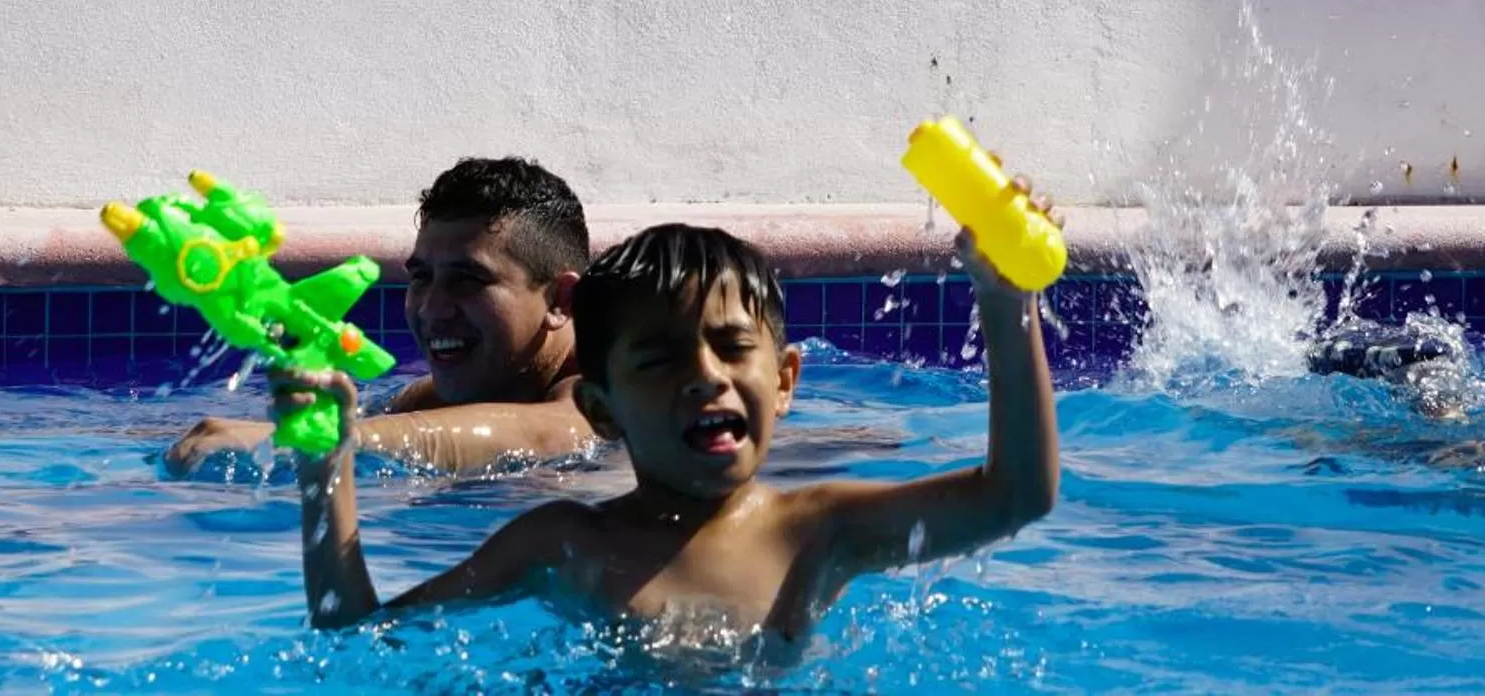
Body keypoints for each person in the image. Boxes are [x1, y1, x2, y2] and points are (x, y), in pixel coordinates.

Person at [281, 217, 1062, 640]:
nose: (705, 375)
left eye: (732, 346)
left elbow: (1016, 497)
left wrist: (1006, 302)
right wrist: (326, 470)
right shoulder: (562, 541)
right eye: (658, 359)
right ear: (602, 410)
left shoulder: (820, 530)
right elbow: (356, 635)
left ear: (785, 381)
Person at [164, 157, 596, 475]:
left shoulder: (615, 386)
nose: (432, 308)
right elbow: (372, 423)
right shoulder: (441, 396)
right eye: (421, 277)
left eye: (468, 280)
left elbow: (546, 434)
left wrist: (307, 444)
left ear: (560, 300)